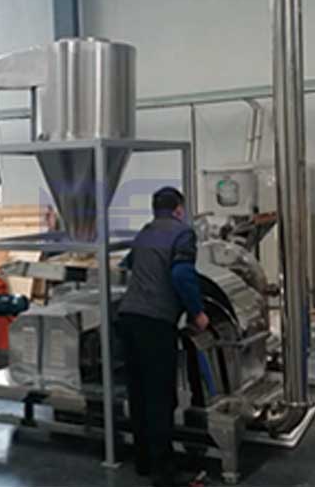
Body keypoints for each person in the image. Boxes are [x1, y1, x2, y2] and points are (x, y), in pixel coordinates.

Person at [118, 187, 210, 487]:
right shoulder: (183, 233)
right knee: (160, 396)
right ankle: (164, 471)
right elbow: (182, 275)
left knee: (139, 393)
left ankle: (143, 461)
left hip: (128, 318)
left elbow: (128, 265)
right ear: (179, 209)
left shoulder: (145, 233)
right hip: (156, 322)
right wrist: (197, 312)